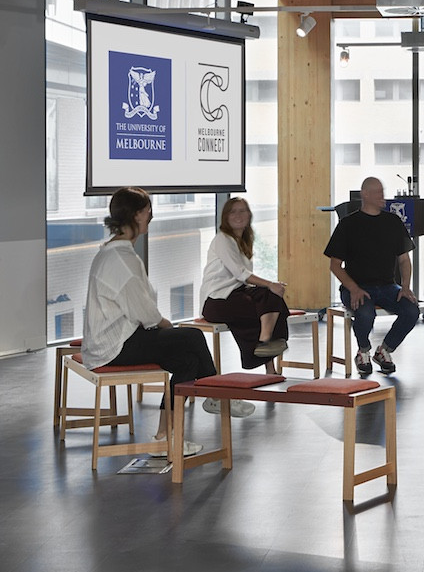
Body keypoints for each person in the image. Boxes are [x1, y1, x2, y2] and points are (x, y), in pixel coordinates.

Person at [82, 187, 223, 457]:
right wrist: (166, 324)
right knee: (191, 337)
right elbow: (145, 314)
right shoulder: (122, 259)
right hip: (116, 346)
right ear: (136, 215)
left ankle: (163, 438)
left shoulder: (112, 251)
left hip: (116, 340)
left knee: (187, 362)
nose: (151, 216)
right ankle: (216, 392)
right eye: (147, 211)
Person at [198, 197, 289, 417]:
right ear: (225, 218)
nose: (238, 216)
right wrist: (270, 284)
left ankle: (266, 349)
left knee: (273, 299)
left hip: (235, 294)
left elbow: (243, 280)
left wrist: (271, 287)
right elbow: (240, 274)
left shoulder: (243, 240)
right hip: (215, 300)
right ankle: (262, 345)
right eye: (233, 212)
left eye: (243, 211)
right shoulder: (223, 240)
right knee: (261, 300)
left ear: (249, 215)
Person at [324, 176, 420, 376]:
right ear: (365, 194)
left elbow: (404, 260)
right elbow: (335, 265)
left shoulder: (393, 222)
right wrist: (354, 288)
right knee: (366, 312)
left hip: (387, 286)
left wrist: (405, 287)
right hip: (355, 286)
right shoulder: (348, 224)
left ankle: (384, 350)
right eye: (377, 192)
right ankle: (363, 351)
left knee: (411, 311)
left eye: (382, 191)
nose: (382, 196)